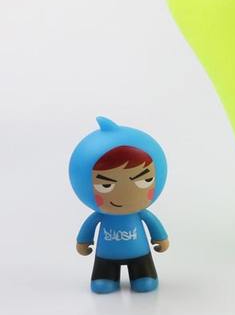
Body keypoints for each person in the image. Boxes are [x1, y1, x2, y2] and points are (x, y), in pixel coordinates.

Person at [69, 116, 169, 293]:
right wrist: (83, 241)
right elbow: (89, 227)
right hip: (105, 257)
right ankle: (104, 277)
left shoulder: (141, 214)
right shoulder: (99, 215)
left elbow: (153, 225)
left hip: (141, 255)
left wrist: (160, 237)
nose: (125, 193)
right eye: (105, 185)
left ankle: (144, 275)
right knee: (102, 283)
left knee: (145, 282)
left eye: (144, 180)